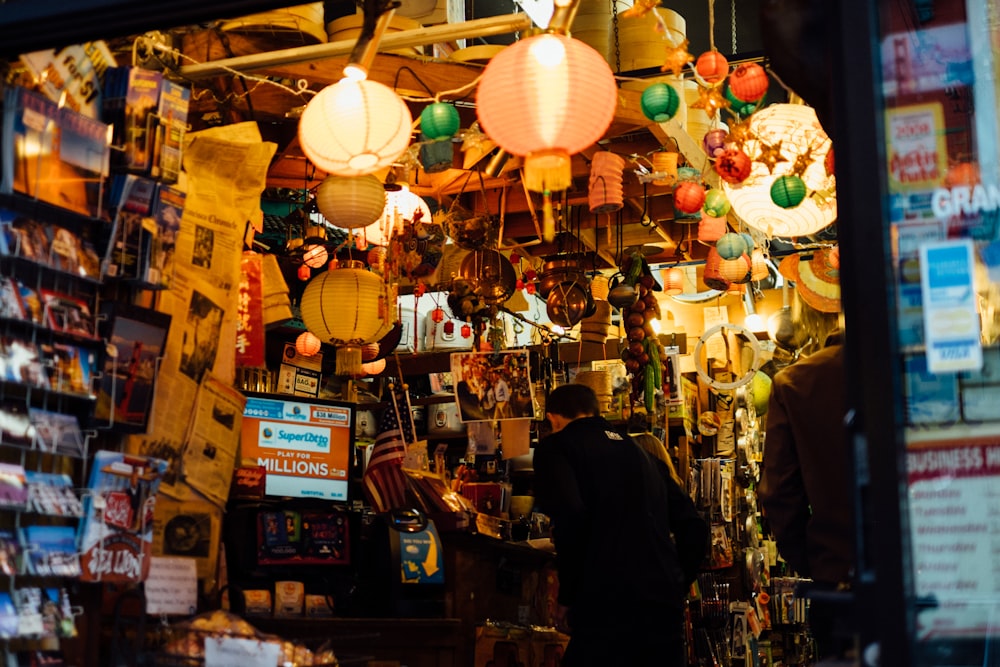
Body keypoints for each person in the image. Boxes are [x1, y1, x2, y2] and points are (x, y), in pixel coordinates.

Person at [533, 383, 708, 667]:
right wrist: (675, 583)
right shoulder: (646, 457)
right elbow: (694, 528)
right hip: (662, 612)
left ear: (553, 418)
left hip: (605, 605)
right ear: (594, 411)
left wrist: (568, 596)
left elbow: (571, 518)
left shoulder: (557, 448)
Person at [757, 246, 854, 661]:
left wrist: (815, 559)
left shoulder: (795, 383)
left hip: (840, 580)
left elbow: (778, 493)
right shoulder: (915, 367)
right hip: (934, 570)